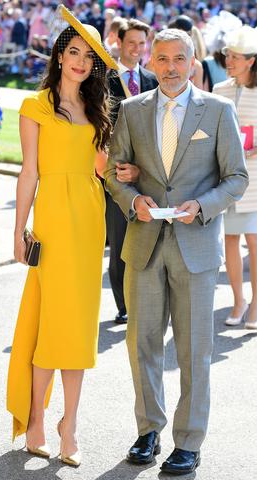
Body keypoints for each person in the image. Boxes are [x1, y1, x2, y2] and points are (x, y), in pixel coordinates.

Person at [104, 28, 248, 475]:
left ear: (193, 62)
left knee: (192, 350)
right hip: (144, 245)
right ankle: (148, 432)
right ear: (151, 61)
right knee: (141, 343)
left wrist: (202, 207)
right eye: (162, 59)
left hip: (197, 247)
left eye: (179, 59)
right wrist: (133, 200)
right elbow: (114, 172)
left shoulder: (219, 112)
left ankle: (188, 441)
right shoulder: (130, 110)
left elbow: (236, 179)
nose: (169, 68)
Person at [7, 6, 118, 466]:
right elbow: (28, 172)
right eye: (73, 52)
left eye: (88, 57)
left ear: (94, 66)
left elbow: (101, 171)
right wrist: (19, 229)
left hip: (89, 219)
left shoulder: (97, 108)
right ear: (58, 54)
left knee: (77, 326)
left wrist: (115, 164)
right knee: (51, 322)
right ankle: (36, 419)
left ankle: (68, 426)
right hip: (52, 216)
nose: (79, 62)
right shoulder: (35, 105)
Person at [213, 26, 257, 331]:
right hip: (227, 175)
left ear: (251, 61)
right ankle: (238, 300)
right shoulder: (219, 90)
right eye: (228, 55)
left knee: (255, 238)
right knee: (229, 238)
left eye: (236, 57)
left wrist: (255, 148)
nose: (229, 61)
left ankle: (256, 304)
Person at [106, 18, 158, 324]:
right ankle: (123, 304)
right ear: (120, 43)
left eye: (142, 43)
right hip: (117, 173)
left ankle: (144, 299)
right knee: (120, 239)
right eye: (131, 43)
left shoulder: (152, 80)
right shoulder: (105, 79)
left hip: (148, 173)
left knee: (147, 239)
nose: (137, 49)